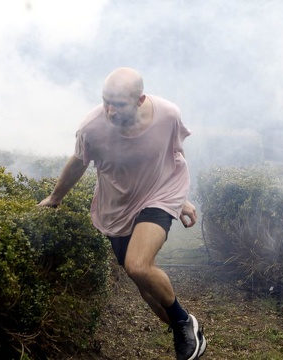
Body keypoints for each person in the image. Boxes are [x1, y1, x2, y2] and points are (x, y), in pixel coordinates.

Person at [38, 67, 206, 360]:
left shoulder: (167, 114)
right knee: (147, 290)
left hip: (159, 195)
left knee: (137, 266)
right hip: (118, 208)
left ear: (140, 100)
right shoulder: (92, 127)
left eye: (118, 104)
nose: (110, 111)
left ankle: (183, 323)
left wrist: (179, 200)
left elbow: (174, 154)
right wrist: (55, 197)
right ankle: (186, 330)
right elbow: (78, 163)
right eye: (106, 102)